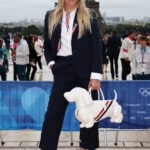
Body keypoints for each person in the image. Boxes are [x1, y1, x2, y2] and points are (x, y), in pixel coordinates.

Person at [39, 0, 103, 149]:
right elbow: (47, 45)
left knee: (89, 112)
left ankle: (86, 146)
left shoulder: (90, 15)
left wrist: (95, 75)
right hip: (62, 68)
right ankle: (47, 146)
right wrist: (51, 64)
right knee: (54, 112)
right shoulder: (50, 16)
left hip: (86, 70)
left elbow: (96, 45)